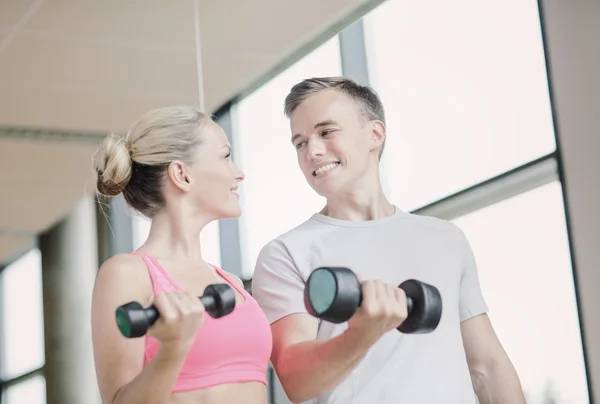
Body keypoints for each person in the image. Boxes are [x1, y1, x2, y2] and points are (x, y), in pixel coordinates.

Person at [251, 77, 526, 404]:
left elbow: (487, 367)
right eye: (300, 142)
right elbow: (297, 381)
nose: (312, 151)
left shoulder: (444, 239)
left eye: (326, 132)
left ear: (375, 134)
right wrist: (361, 334)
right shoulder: (286, 254)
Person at [90, 106, 272, 404]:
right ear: (182, 174)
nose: (238, 173)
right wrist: (174, 348)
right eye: (225, 156)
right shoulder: (128, 274)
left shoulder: (231, 282)